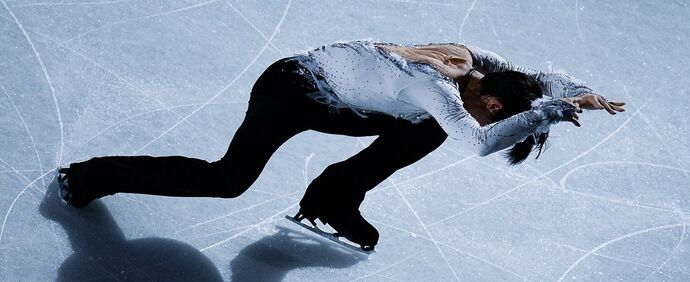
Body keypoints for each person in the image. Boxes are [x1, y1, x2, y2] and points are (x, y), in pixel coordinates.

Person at [57, 39, 625, 250]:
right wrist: (549, 110)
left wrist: (583, 96)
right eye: (504, 118)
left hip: (357, 106)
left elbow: (542, 82)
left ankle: (331, 198)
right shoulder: (435, 85)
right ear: (494, 104)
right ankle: (89, 175)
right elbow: (478, 144)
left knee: (423, 131)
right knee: (227, 180)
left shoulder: (484, 69)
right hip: (293, 91)